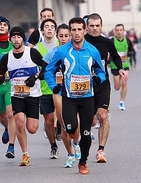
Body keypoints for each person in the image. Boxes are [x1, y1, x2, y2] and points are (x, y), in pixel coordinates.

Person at [45, 17, 106, 174]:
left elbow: (101, 71)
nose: (77, 33)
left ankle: (83, 162)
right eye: (74, 30)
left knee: (86, 132)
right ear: (70, 31)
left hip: (87, 98)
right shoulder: (63, 51)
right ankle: (73, 136)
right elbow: (48, 70)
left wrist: (99, 78)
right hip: (69, 98)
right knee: (70, 128)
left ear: (84, 30)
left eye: (80, 29)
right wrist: (54, 87)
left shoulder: (92, 51)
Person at [0, 26, 47, 166]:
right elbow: (0, 76)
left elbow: (45, 66)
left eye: (19, 37)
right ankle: (25, 154)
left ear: (23, 39)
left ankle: (37, 128)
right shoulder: (7, 57)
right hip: (16, 95)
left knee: (32, 128)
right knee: (19, 123)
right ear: (10, 39)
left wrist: (35, 76)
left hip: (32, 94)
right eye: (13, 37)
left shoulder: (31, 52)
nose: (16, 39)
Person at [84, 13, 128, 164]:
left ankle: (101, 150)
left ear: (101, 26)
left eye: (97, 26)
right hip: (85, 85)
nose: (95, 28)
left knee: (103, 116)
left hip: (102, 84)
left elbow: (115, 56)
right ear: (87, 27)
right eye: (92, 26)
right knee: (90, 121)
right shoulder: (81, 42)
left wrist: (121, 69)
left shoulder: (107, 42)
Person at [43, 23, 78, 167]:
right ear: (57, 37)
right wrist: (52, 85)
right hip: (59, 90)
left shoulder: (76, 51)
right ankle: (68, 152)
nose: (63, 39)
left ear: (70, 36)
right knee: (63, 123)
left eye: (66, 36)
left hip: (74, 90)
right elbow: (45, 70)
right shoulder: (52, 53)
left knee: (75, 123)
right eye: (61, 36)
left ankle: (76, 143)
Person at [0, 16, 17, 158]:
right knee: (1, 115)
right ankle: (6, 127)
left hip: (10, 84)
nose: (2, 26)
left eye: (4, 25)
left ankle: (11, 146)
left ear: (8, 28)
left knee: (11, 114)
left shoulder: (13, 44)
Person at [35, 18, 60, 159]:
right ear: (42, 30)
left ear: (55, 30)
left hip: (61, 88)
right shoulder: (37, 49)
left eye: (52, 26)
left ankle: (61, 129)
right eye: (46, 26)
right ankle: (53, 146)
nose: (49, 29)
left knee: (62, 118)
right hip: (44, 89)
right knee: (49, 121)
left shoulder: (62, 45)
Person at [110, 24, 134, 111]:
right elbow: (108, 52)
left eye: (121, 30)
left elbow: (131, 50)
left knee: (124, 82)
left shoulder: (127, 41)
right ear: (115, 32)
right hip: (115, 65)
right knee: (117, 87)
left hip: (125, 65)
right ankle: (116, 86)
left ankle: (122, 102)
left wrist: (131, 56)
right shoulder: (112, 41)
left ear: (123, 31)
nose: (119, 32)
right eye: (117, 30)